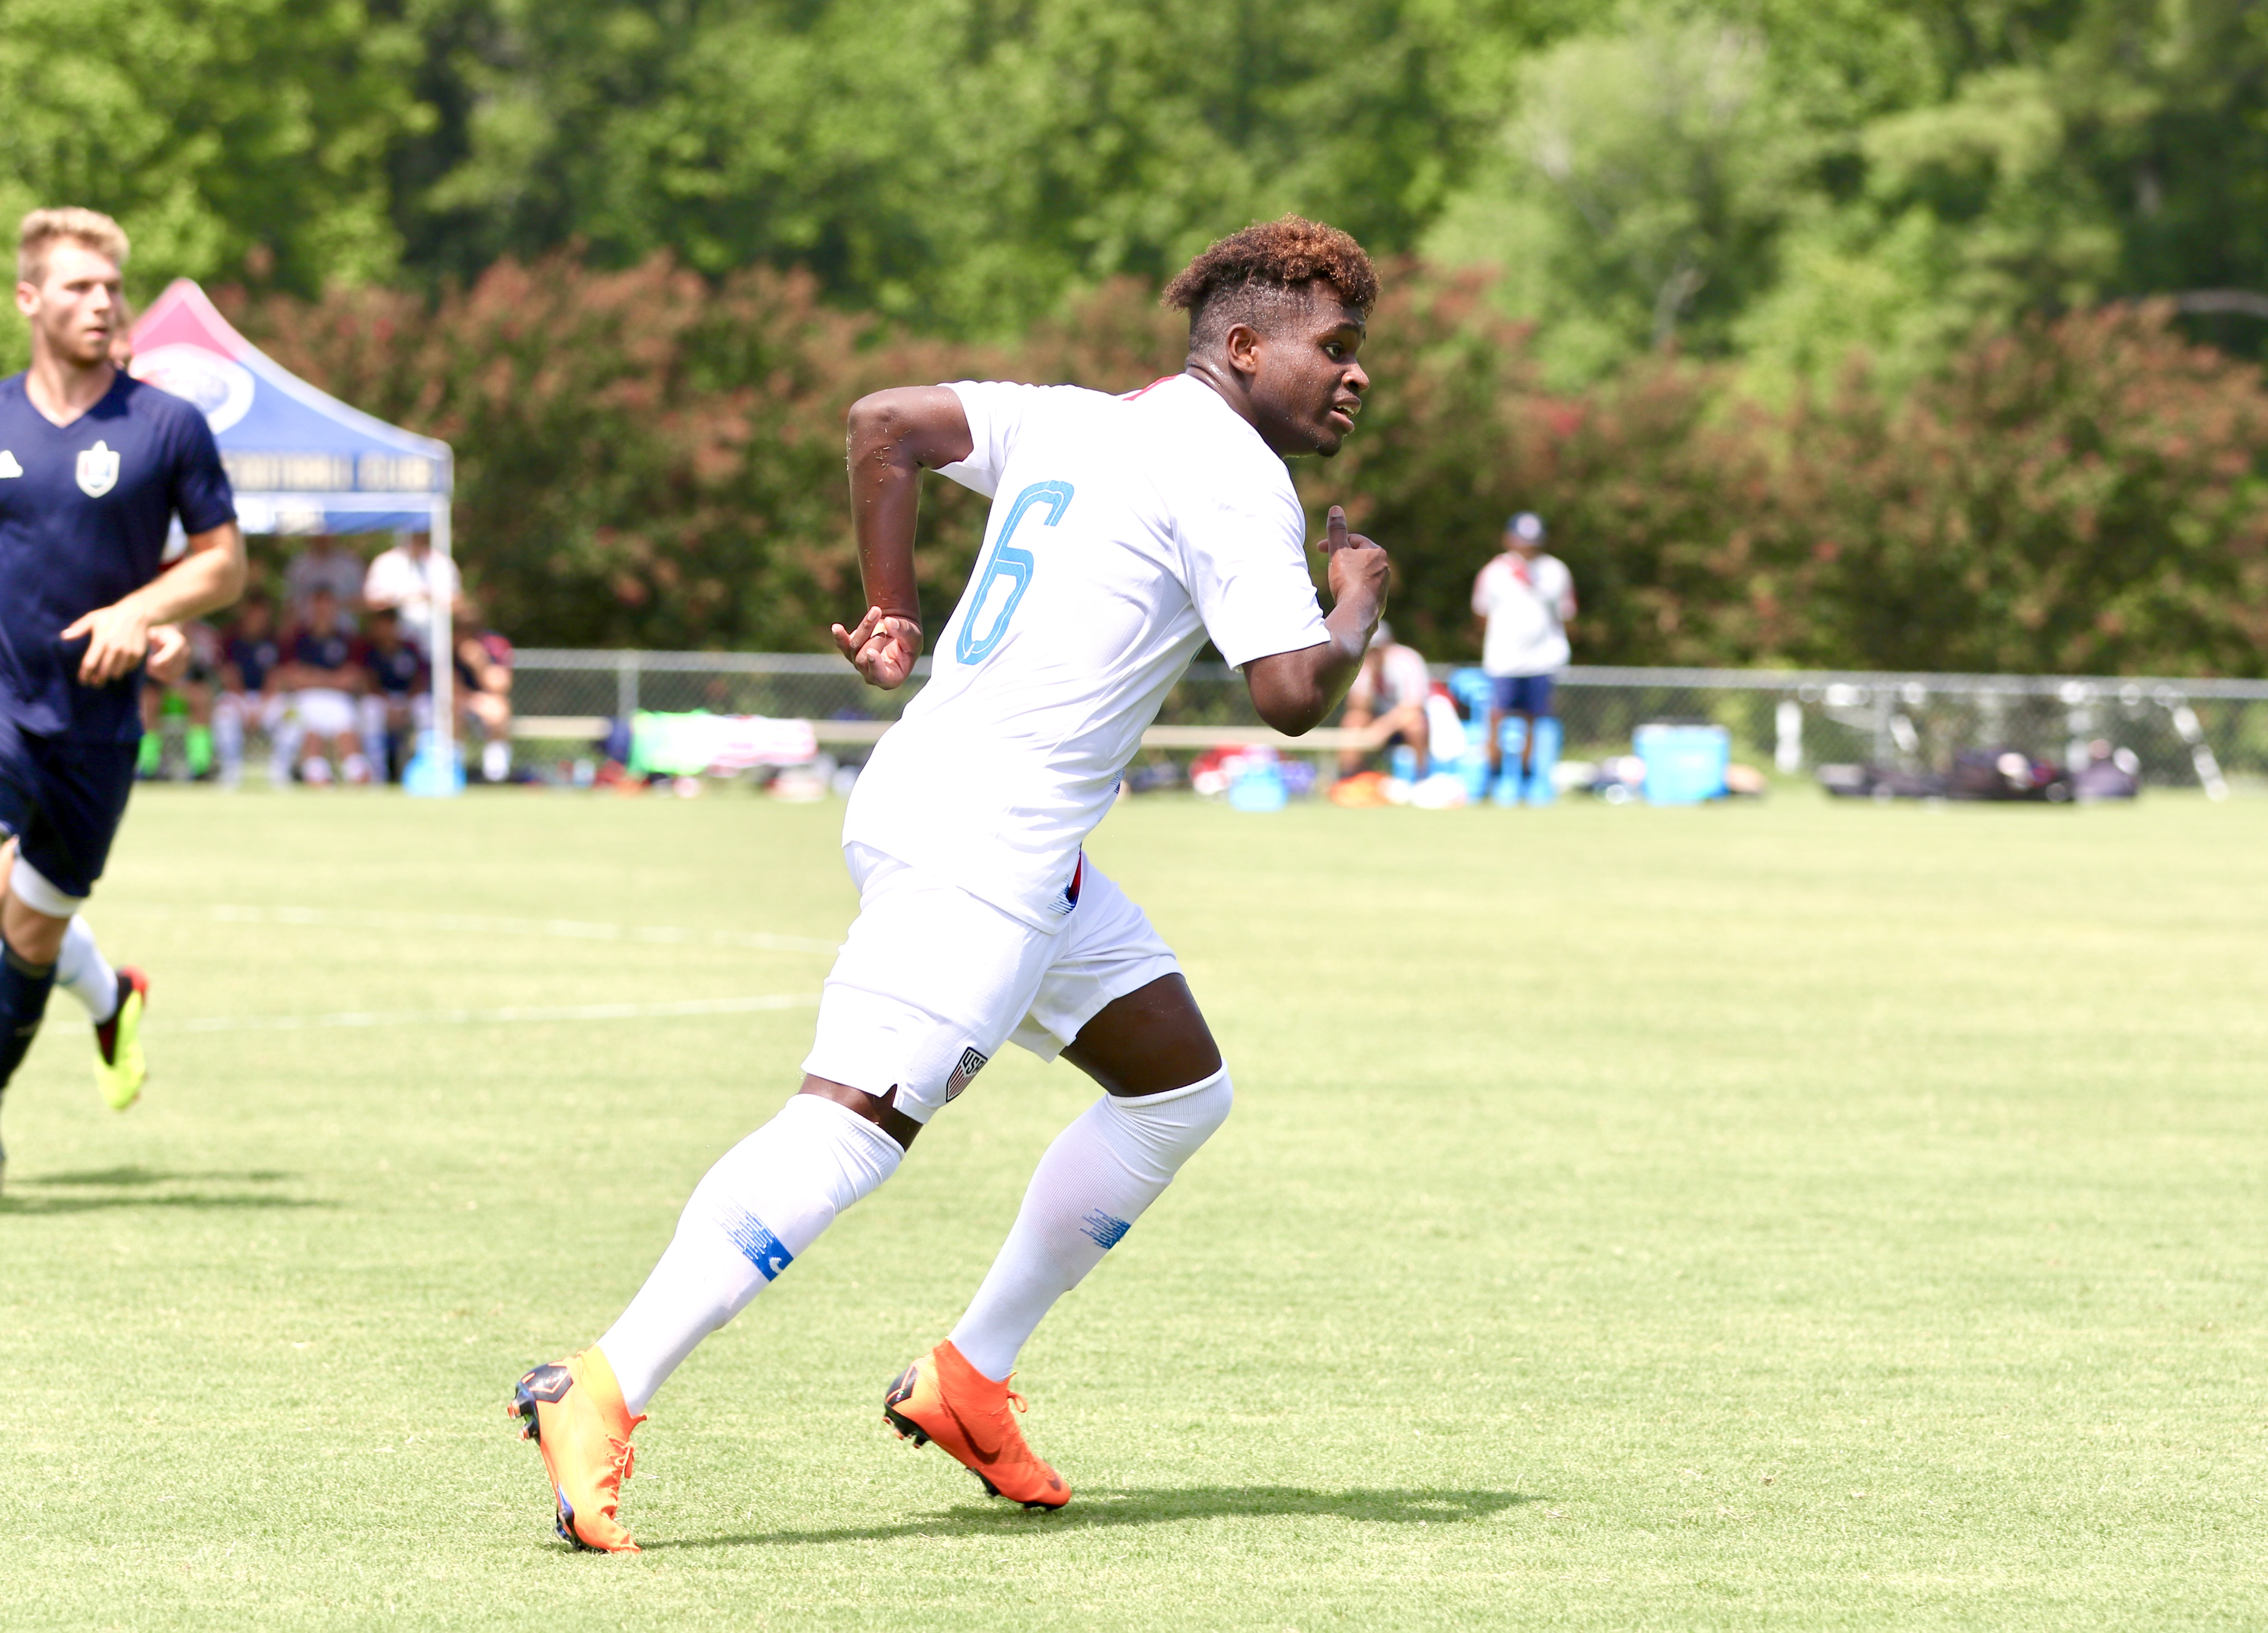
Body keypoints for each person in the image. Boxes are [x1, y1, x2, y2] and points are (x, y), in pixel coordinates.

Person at [509, 215, 1392, 1552]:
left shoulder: (1078, 420)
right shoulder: (1230, 473)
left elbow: (884, 422)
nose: (1354, 374)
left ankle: (969, 1376)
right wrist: (1354, 604)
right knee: (853, 1122)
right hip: (989, 840)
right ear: (1248, 344)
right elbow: (1285, 695)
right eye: (1335, 347)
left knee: (1177, 1088)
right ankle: (605, 1382)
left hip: (971, 815)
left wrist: (892, 604)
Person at [0, 207, 244, 1182]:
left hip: (98, 730)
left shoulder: (164, 425)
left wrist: (144, 613)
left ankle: (107, 999)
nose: (102, 303)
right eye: (78, 287)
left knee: (30, 931)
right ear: (29, 300)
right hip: (2, 702)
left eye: (111, 288)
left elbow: (221, 563)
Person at [1472, 512, 1575, 790]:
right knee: (1497, 716)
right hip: (1503, 660)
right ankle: (1491, 777)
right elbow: (1480, 613)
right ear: (1510, 539)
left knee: (1534, 719)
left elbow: (1566, 613)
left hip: (1543, 659)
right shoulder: (1494, 572)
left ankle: (1528, 780)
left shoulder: (1556, 571)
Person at [279, 585, 370, 784]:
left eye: (327, 605)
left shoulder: (348, 639)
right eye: (318, 605)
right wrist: (331, 678)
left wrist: (313, 676)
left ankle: (355, 772)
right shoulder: (297, 638)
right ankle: (316, 773)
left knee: (344, 722)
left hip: (338, 699)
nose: (323, 611)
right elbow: (292, 678)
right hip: (303, 699)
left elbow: (352, 679)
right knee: (311, 724)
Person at [1336, 620, 1431, 779]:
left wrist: (1383, 728)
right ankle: (1349, 778)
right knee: (1353, 721)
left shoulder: (1408, 661)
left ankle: (1421, 777)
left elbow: (1414, 707)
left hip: (1405, 721)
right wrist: (1370, 680)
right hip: (1378, 719)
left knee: (1415, 724)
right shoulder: (1362, 665)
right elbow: (1358, 707)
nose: (1374, 655)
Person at [215, 591, 288, 787]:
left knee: (292, 715)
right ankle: (231, 770)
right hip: (237, 697)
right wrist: (245, 708)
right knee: (224, 713)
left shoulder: (275, 640)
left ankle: (281, 770)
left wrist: (263, 707)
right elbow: (230, 676)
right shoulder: (231, 639)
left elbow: (276, 677)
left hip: (267, 699)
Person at [362, 529, 462, 656]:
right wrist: (398, 599)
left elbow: (457, 601)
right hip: (396, 643)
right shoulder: (385, 563)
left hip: (436, 641)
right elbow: (370, 602)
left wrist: (432, 597)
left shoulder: (441, 563)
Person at [357, 606, 426, 782]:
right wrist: (389, 705)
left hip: (408, 699)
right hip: (382, 700)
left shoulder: (410, 648)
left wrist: (406, 705)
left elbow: (420, 680)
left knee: (427, 708)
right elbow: (368, 683)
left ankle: (426, 766)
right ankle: (377, 774)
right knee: (370, 709)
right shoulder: (368, 650)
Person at [453, 607, 514, 783]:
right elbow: (449, 686)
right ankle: (455, 770)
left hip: (486, 699)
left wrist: (479, 664)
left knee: (499, 710)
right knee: (452, 711)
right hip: (461, 700)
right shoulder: (448, 645)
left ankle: (495, 775)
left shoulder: (495, 644)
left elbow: (501, 686)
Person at [284, 536, 366, 627]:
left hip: (344, 631)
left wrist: (334, 605)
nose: (323, 537)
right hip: (306, 632)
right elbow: (290, 603)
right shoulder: (299, 566)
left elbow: (362, 603)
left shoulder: (350, 565)